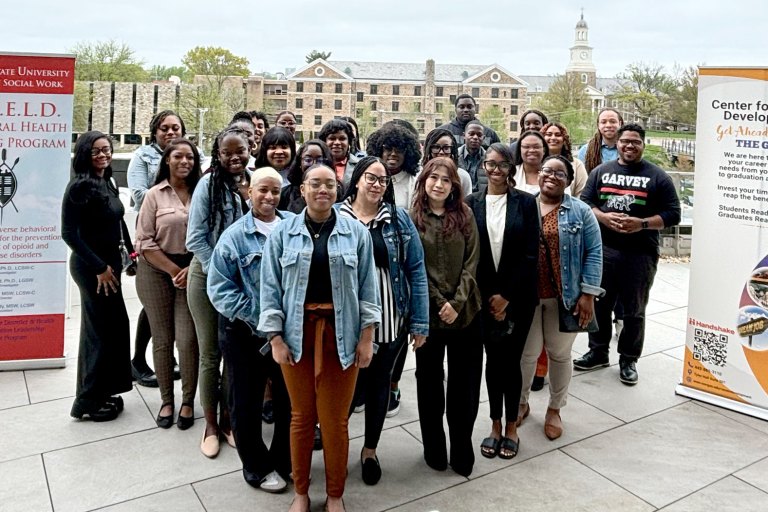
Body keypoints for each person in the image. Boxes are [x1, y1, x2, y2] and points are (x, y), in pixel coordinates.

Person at [259, 163, 381, 512]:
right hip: (296, 334)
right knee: (300, 416)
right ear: (302, 189)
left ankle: (335, 493)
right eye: (315, 184)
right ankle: (301, 492)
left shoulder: (355, 233)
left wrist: (367, 336)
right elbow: (270, 289)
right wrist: (276, 338)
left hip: (342, 334)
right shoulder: (283, 233)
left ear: (338, 189)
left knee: (335, 419)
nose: (323, 190)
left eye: (330, 184)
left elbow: (367, 290)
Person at [338, 156, 429, 485]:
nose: (377, 184)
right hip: (346, 325)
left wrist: (420, 323)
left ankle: (370, 450)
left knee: (378, 387)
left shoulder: (398, 220)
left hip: (390, 321)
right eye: (371, 178)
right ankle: (337, 447)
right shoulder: (337, 217)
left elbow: (416, 270)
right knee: (345, 391)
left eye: (383, 181)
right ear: (358, 179)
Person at [208, 168, 294, 493]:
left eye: (275, 191)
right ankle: (256, 467)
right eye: (263, 191)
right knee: (246, 402)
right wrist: (260, 316)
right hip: (245, 334)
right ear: (250, 193)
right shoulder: (234, 236)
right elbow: (219, 289)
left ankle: (284, 461)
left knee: (289, 401)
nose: (269, 197)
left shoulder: (293, 228)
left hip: (287, 335)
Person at [574, 123, 681, 385]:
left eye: (635, 142)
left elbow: (673, 214)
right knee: (599, 305)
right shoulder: (601, 171)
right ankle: (598, 352)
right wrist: (604, 217)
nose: (629, 146)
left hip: (640, 254)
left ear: (643, 144)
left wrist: (641, 223)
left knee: (634, 310)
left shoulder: (658, 176)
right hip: (604, 251)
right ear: (617, 144)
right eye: (625, 141)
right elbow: (585, 202)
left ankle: (628, 359)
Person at [518, 155, 603, 440]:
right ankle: (521, 403)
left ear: (568, 180)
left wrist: (589, 295)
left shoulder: (580, 212)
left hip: (564, 298)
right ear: (538, 174)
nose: (552, 177)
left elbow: (594, 253)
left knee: (559, 354)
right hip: (527, 297)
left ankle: (555, 408)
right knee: (527, 354)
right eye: (547, 171)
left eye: (560, 174)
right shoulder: (523, 204)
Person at [465, 143, 538, 460]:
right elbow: (470, 256)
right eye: (489, 164)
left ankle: (512, 427)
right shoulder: (471, 203)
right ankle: (494, 424)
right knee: (492, 364)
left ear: (512, 167)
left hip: (517, 298)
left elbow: (531, 254)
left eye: (501, 164)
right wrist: (489, 296)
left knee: (511, 363)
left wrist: (506, 295)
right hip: (483, 298)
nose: (494, 170)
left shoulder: (525, 203)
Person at [411, 157, 483, 477]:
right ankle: (434, 446)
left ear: (454, 186)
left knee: (464, 385)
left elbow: (472, 262)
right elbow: (414, 267)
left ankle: (462, 445)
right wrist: (440, 301)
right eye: (433, 177)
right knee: (428, 384)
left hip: (465, 314)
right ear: (424, 180)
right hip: (427, 316)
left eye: (446, 179)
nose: (438, 184)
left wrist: (456, 301)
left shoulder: (465, 215)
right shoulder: (412, 218)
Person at [186, 129, 251, 457]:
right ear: (218, 154)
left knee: (234, 356)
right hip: (208, 277)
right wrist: (222, 271)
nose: (235, 157)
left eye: (240, 150)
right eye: (228, 152)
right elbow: (195, 238)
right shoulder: (206, 185)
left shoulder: (251, 183)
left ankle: (229, 421)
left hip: (242, 283)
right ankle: (210, 425)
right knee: (211, 355)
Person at [62, 131, 132, 422]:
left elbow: (117, 220)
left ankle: (105, 389)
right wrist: (100, 268)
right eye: (96, 152)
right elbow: (69, 235)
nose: (103, 156)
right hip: (92, 270)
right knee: (99, 333)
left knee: (115, 327)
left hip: (110, 268)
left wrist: (131, 252)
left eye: (107, 150)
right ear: (84, 155)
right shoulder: (78, 187)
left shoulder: (107, 180)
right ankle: (86, 402)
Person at [134, 138, 201, 430]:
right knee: (162, 340)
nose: (184, 162)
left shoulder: (202, 192)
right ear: (167, 160)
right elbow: (144, 242)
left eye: (190, 157)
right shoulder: (153, 195)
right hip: (156, 271)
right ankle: (166, 400)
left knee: (187, 340)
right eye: (178, 156)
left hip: (192, 270)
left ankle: (187, 401)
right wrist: (175, 270)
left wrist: (190, 269)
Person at [366, 121, 422, 416]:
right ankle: (367, 386)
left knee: (396, 333)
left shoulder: (413, 180)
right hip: (371, 265)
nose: (391, 155)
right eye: (387, 149)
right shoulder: (369, 176)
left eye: (398, 150)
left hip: (400, 264)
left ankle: (392, 384)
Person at [127, 110, 186, 387]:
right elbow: (138, 194)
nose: (171, 133)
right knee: (152, 306)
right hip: (151, 241)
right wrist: (167, 193)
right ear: (155, 132)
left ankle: (169, 358)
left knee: (177, 308)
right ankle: (139, 360)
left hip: (182, 246)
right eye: (165, 128)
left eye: (176, 128)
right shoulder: (142, 157)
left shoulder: (189, 155)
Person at [366, 122, 421, 210]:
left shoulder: (413, 182)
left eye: (399, 149)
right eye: (388, 148)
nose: (393, 154)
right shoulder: (367, 177)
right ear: (379, 150)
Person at [280, 140, 334, 214]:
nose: (314, 164)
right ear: (300, 162)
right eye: (308, 160)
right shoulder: (285, 194)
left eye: (319, 160)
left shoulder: (336, 192)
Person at [541, 122, 589, 197]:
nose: (553, 138)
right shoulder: (536, 163)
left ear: (564, 139)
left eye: (558, 135)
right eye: (549, 134)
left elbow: (582, 194)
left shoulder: (577, 165)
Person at [423, 128, 472, 197]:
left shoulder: (462, 176)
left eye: (446, 148)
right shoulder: (419, 174)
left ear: (452, 150)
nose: (441, 152)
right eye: (436, 147)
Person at [577, 108, 624, 173]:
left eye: (613, 121)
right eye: (603, 122)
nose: (608, 125)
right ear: (598, 125)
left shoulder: (628, 149)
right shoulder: (585, 151)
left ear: (620, 124)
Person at [318, 119, 360, 188]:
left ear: (349, 142)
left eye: (342, 138)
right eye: (332, 138)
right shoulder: (316, 164)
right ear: (324, 141)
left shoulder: (359, 166)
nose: (337, 142)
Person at [457, 121, 487, 192]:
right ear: (464, 135)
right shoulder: (454, 157)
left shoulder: (488, 159)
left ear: (484, 138)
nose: (475, 137)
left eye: (479, 135)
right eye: (471, 134)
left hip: (481, 199)